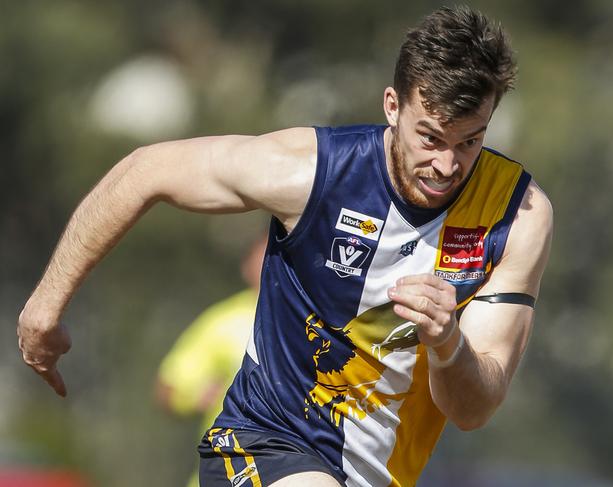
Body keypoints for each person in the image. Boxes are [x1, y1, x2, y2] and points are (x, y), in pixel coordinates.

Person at [17, 6, 553, 487]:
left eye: (469, 142)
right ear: (392, 105)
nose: (446, 166)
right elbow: (146, 170)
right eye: (430, 137)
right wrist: (46, 304)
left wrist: (448, 344)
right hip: (262, 444)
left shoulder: (517, 215)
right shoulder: (312, 171)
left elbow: (472, 409)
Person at [155, 236, 265, 487]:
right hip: (224, 471)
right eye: (262, 256)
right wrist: (194, 397)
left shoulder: (316, 322)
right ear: (246, 267)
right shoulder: (222, 321)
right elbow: (167, 387)